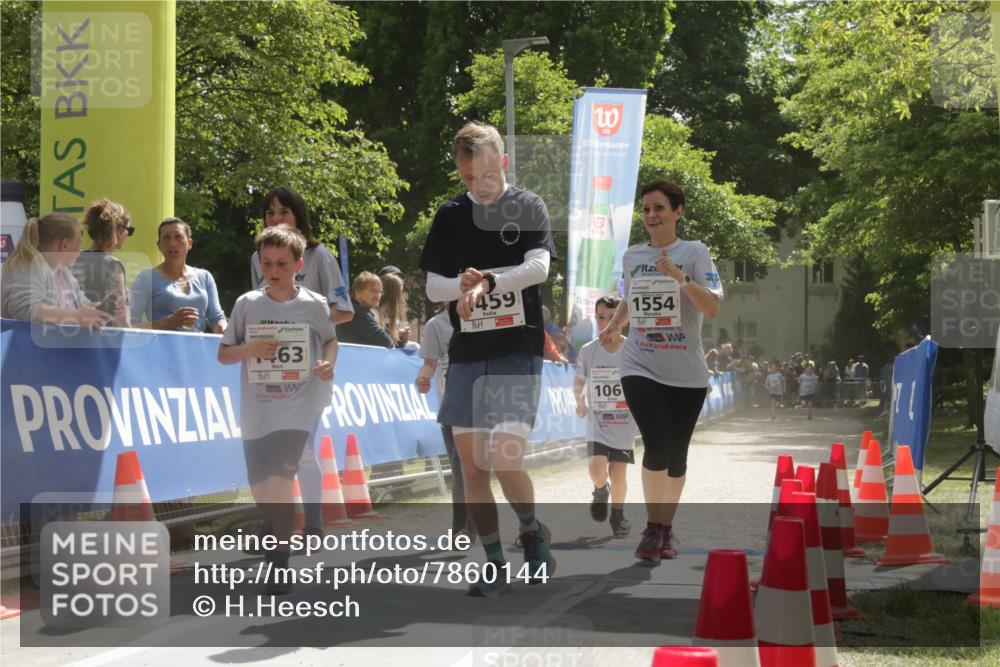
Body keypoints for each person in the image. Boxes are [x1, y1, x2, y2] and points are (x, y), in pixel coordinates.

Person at [419, 120, 557, 596]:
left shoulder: (528, 206)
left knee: (504, 457)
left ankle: (532, 533)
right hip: (467, 354)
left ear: (505, 162)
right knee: (474, 467)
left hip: (516, 350)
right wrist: (458, 284)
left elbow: (539, 268)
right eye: (468, 177)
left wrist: (488, 283)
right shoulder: (450, 215)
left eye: (487, 175)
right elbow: (432, 286)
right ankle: (495, 562)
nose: (478, 186)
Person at [598, 179, 723, 563]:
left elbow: (712, 307)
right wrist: (615, 324)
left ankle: (665, 528)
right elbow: (631, 299)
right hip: (641, 364)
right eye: (646, 209)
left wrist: (679, 278)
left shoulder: (695, 252)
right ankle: (653, 527)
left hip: (687, 371)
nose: (651, 215)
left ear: (677, 212)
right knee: (656, 444)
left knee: (676, 455)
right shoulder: (632, 256)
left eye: (659, 208)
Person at [218, 225, 338, 595]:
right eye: (267, 263)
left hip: (299, 406)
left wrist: (327, 363)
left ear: (299, 265)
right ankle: (276, 536)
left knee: (280, 482)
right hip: (257, 410)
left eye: (281, 264)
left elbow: (331, 341)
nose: (273, 271)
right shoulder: (247, 304)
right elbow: (224, 354)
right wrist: (249, 350)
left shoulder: (314, 304)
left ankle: (279, 565)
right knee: (262, 488)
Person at [574, 295, 638, 538]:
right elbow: (579, 380)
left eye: (613, 317)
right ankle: (601, 489)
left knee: (618, 472)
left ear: (623, 320)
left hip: (624, 422)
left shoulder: (632, 349)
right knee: (596, 470)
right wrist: (580, 401)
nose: (607, 322)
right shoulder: (588, 350)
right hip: (598, 422)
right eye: (601, 317)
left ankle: (618, 515)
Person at [251, 186, 354, 326]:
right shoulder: (257, 258)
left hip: (313, 340)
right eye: (270, 213)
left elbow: (344, 312)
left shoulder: (320, 255)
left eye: (284, 212)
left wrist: (300, 321)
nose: (276, 219)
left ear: (298, 216)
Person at [415, 305, 474, 542]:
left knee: (470, 467)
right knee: (460, 467)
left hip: (480, 401)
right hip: (450, 405)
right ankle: (464, 525)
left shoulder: (487, 316)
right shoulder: (436, 324)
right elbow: (430, 362)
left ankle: (467, 525)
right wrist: (423, 377)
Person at [1, 212, 112, 329]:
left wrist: (101, 310)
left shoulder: (63, 272)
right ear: (64, 245)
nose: (80, 251)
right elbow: (25, 309)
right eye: (78, 245)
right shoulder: (28, 265)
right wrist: (76, 316)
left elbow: (81, 304)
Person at [131, 218, 227, 333]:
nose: (172, 243)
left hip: (197, 344)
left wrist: (224, 329)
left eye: (178, 237)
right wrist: (168, 322)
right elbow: (130, 325)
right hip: (160, 344)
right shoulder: (146, 278)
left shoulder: (205, 277)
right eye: (166, 238)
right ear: (159, 245)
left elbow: (217, 318)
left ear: (189, 243)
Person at [73, 199, 133, 328]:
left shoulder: (72, 258)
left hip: (69, 330)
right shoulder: (112, 265)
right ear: (119, 230)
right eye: (129, 229)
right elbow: (118, 319)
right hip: (101, 334)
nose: (128, 234)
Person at [336, 271, 394, 348]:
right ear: (358, 291)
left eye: (380, 292)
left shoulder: (351, 308)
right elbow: (387, 343)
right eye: (373, 290)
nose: (377, 296)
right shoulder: (358, 312)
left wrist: (402, 340)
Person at [378, 272, 414, 349]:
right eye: (401, 291)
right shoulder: (380, 311)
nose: (402, 295)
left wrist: (403, 337)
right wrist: (397, 335)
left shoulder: (389, 310)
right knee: (414, 347)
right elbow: (385, 341)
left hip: (391, 348)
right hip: (384, 351)